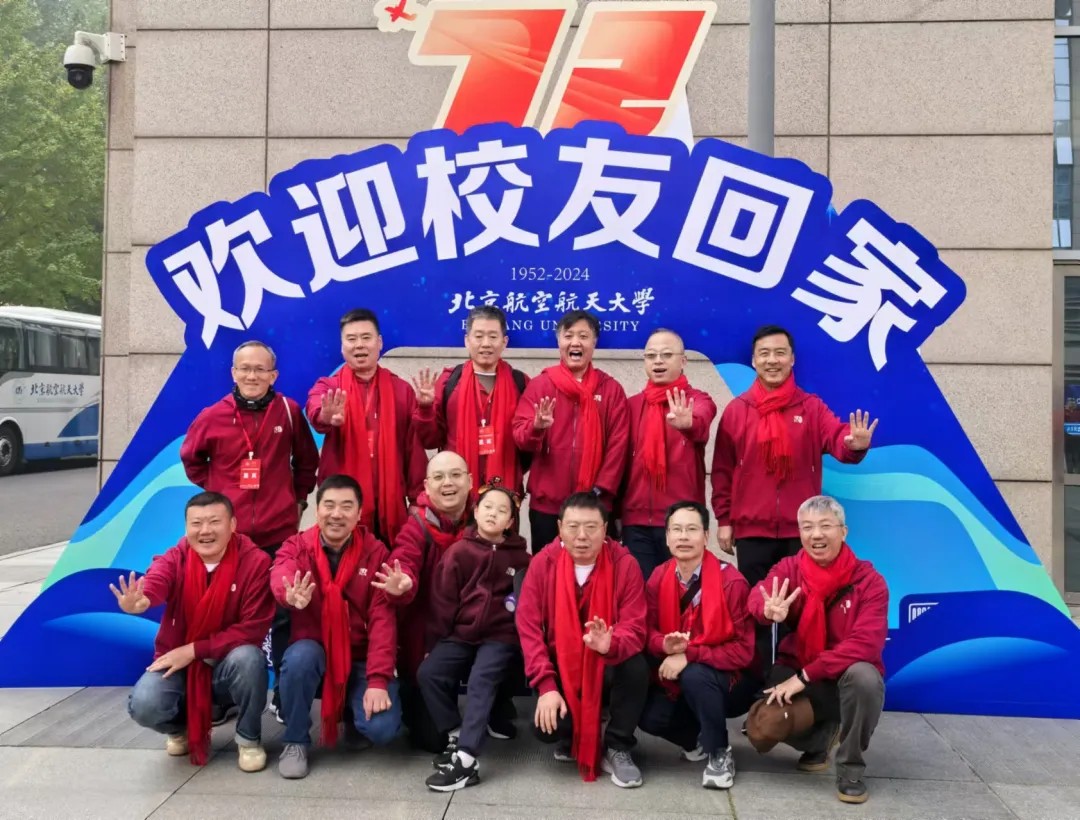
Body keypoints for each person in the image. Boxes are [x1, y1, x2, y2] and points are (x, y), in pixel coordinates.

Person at [180, 339, 319, 722]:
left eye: (260, 369)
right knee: (223, 617)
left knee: (284, 614)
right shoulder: (213, 415)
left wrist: (298, 501)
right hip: (230, 540)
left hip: (278, 534)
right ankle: (222, 696)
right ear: (233, 373)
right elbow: (191, 459)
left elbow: (307, 462)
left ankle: (283, 695)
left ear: (273, 375)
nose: (252, 375)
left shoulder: (289, 411)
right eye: (245, 368)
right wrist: (219, 493)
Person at [711, 325, 878, 589]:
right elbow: (722, 471)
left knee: (802, 605)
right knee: (757, 605)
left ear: (792, 359)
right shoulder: (737, 410)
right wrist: (724, 520)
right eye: (764, 353)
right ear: (754, 361)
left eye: (780, 353)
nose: (772, 360)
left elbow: (836, 436)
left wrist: (854, 445)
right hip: (751, 533)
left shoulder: (811, 407)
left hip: (802, 532)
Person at [117, 492, 274, 772]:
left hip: (226, 663)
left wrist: (192, 650)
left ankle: (249, 740)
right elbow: (156, 580)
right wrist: (142, 601)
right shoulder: (175, 558)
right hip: (180, 666)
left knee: (250, 658)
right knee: (144, 704)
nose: (205, 531)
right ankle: (180, 729)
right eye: (197, 523)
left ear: (233, 525)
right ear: (186, 527)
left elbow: (252, 629)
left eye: (214, 521)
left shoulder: (255, 562)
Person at [746, 495, 888, 805]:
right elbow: (760, 593)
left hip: (839, 679)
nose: (816, 534)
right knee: (761, 727)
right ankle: (820, 739)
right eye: (807, 527)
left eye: (825, 526)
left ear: (843, 532)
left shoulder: (869, 582)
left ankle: (850, 768)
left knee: (865, 677)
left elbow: (865, 644)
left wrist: (805, 676)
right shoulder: (791, 567)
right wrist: (767, 610)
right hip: (798, 666)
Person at [271, 475, 400, 779]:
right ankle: (295, 740)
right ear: (317, 510)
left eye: (346, 506)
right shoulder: (297, 546)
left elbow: (383, 621)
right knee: (299, 658)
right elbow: (281, 573)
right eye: (329, 505)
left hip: (359, 655)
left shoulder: (376, 552)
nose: (336, 514)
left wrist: (378, 680)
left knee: (382, 729)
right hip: (315, 651)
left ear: (359, 512)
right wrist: (289, 594)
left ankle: (353, 716)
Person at [516, 492, 648, 788]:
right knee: (547, 729)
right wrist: (546, 686)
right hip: (562, 665)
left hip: (606, 662)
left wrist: (611, 644)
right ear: (559, 527)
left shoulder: (625, 564)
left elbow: (636, 626)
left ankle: (618, 745)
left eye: (591, 527)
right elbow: (529, 630)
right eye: (573, 526)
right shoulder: (544, 563)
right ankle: (571, 733)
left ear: (605, 529)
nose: (582, 536)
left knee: (635, 666)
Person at [417, 481, 531, 791]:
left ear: (510, 521)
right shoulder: (459, 551)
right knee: (429, 672)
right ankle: (456, 734)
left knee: (482, 679)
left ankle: (466, 761)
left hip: (501, 636)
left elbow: (529, 601)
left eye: (502, 511)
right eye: (488, 507)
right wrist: (434, 643)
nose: (493, 514)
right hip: (461, 633)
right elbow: (442, 602)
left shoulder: (522, 558)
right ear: (476, 512)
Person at [638, 501, 754, 790]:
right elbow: (645, 632)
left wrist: (689, 654)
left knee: (695, 674)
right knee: (648, 717)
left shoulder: (732, 582)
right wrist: (663, 645)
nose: (683, 537)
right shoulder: (658, 577)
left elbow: (743, 651)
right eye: (676, 530)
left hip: (729, 681)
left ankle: (720, 752)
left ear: (706, 536)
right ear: (667, 537)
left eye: (692, 529)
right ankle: (698, 739)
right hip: (677, 676)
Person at [375, 451, 475, 753]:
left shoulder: (484, 518)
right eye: (439, 477)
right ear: (427, 486)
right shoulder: (416, 525)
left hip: (473, 628)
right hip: (428, 637)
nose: (448, 483)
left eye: (456, 475)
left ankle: (496, 706)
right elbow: (404, 557)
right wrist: (403, 583)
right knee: (433, 740)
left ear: (470, 481)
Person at [306, 308, 426, 543]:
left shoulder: (401, 390)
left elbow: (413, 451)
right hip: (342, 508)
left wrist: (417, 500)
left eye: (366, 337)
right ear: (342, 347)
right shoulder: (329, 386)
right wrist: (326, 417)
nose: (359, 345)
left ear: (379, 342)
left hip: (389, 503)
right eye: (351, 339)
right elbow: (315, 408)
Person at [513, 310, 630, 550]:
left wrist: (600, 490)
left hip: (595, 503)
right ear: (559, 342)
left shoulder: (610, 389)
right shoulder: (541, 385)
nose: (575, 342)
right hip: (548, 506)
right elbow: (520, 437)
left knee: (595, 568)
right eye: (568, 336)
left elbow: (618, 446)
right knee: (548, 567)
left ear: (594, 343)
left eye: (583, 336)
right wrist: (536, 428)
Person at [622, 330, 717, 579]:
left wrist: (688, 424)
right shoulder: (631, 406)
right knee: (641, 592)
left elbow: (701, 421)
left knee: (683, 592)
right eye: (651, 356)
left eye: (666, 355)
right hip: (637, 522)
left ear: (683, 361)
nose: (658, 361)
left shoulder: (697, 400)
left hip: (682, 523)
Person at [412, 305, 531, 495]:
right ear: (467, 341)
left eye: (493, 336)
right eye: (479, 336)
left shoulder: (520, 383)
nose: (486, 343)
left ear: (504, 342)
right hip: (457, 490)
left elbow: (527, 445)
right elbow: (431, 440)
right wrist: (425, 409)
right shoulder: (450, 381)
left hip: (503, 492)